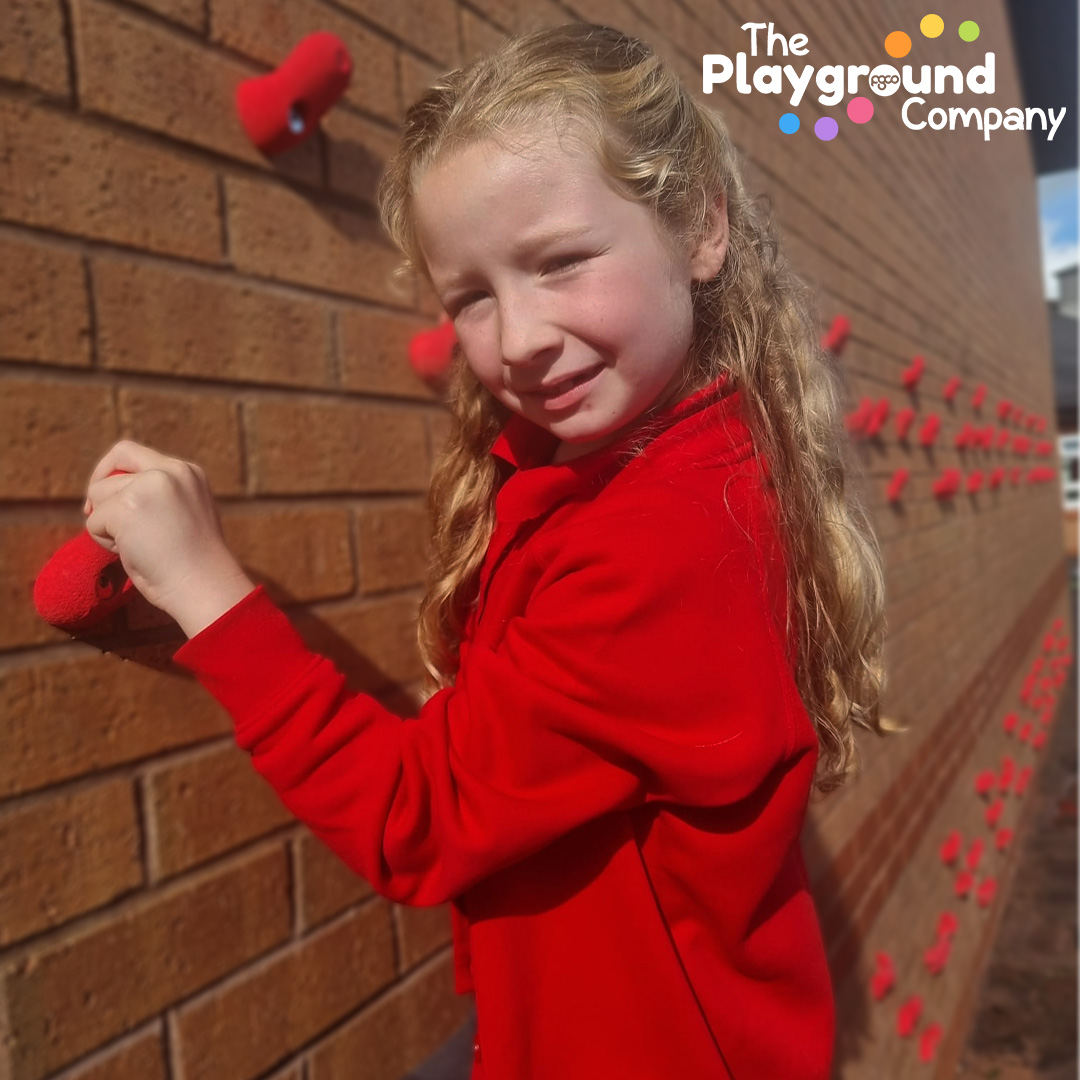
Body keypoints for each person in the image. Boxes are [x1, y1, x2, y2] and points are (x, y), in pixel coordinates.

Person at [82, 23, 893, 1080]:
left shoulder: (663, 539)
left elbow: (413, 818)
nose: (518, 340)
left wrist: (202, 585)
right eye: (472, 296)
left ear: (701, 227)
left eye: (560, 263)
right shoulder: (658, 463)